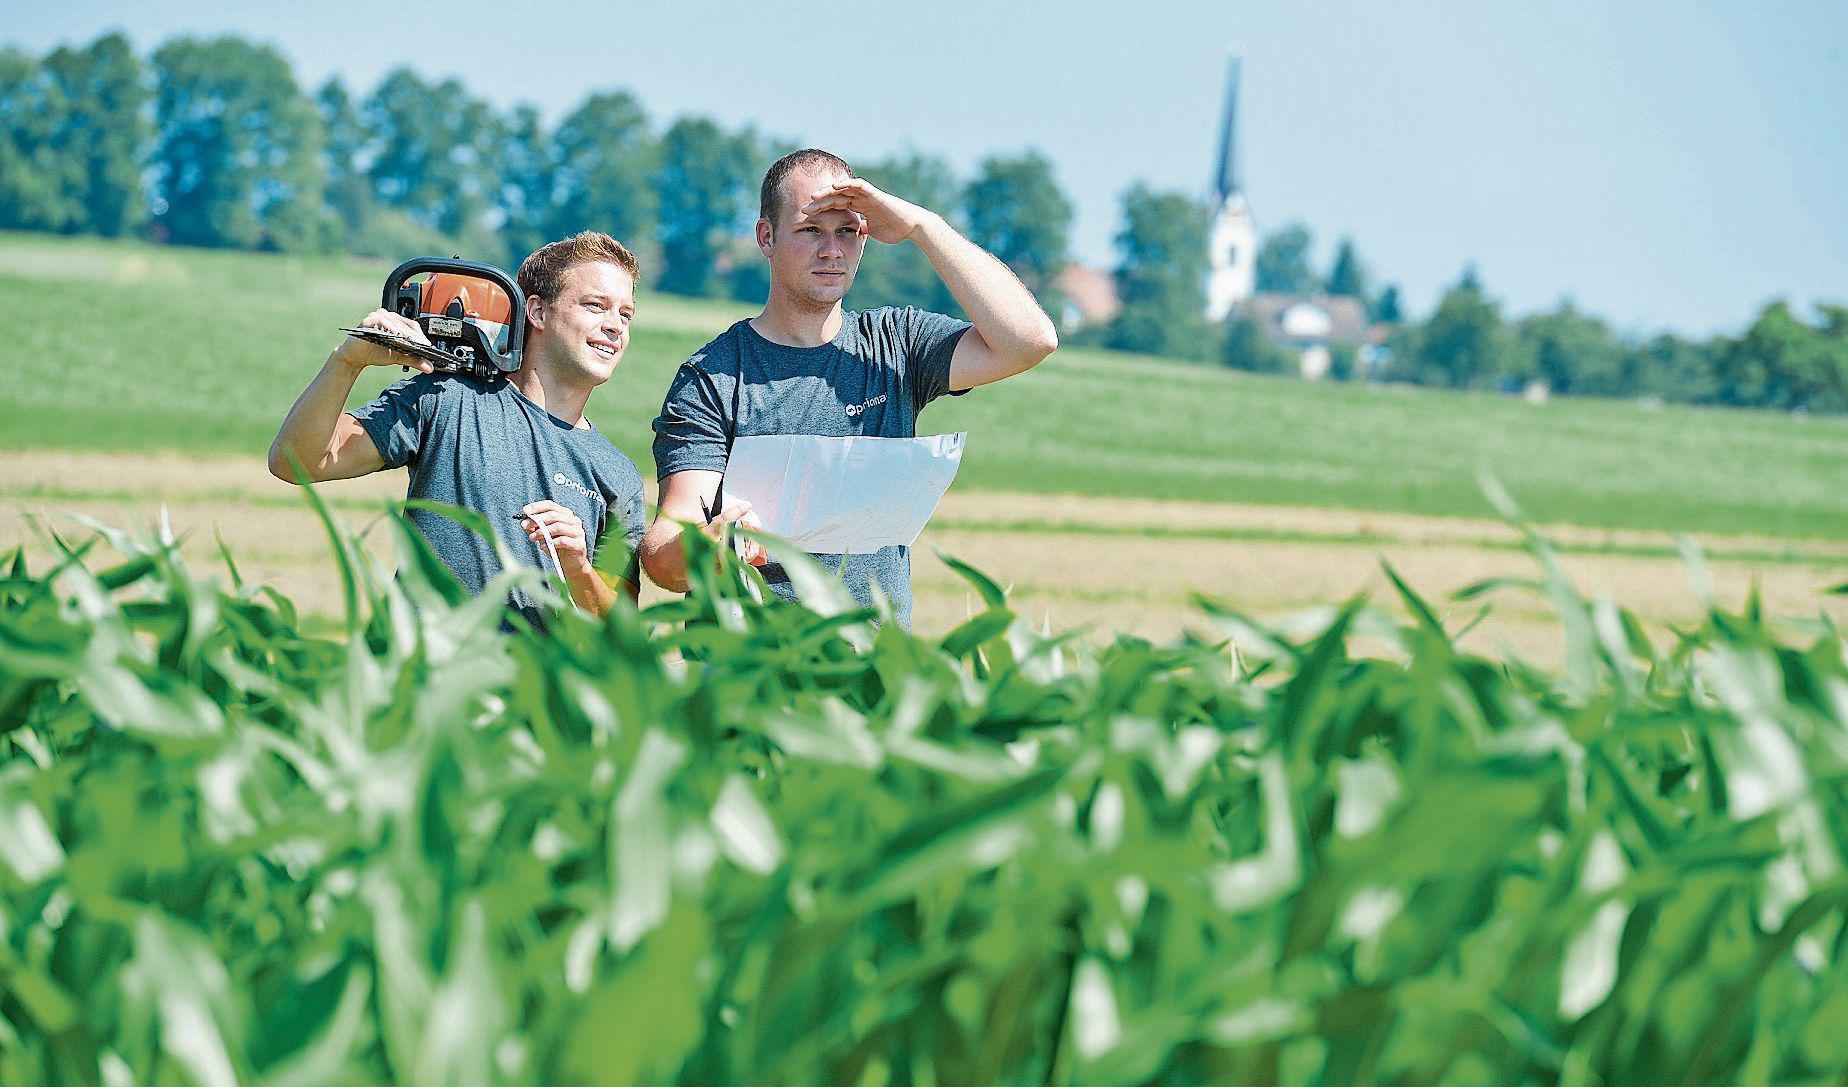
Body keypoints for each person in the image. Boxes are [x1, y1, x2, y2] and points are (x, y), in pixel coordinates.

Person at [641, 149, 1058, 627]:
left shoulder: (895, 345)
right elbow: (663, 558)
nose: (831, 251)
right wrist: (707, 547)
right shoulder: (714, 377)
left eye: (848, 231)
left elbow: (1030, 342)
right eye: (810, 231)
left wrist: (923, 226)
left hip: (875, 671)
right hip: (749, 675)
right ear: (765, 237)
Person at [269, 231, 648, 627]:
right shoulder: (450, 398)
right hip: (417, 677)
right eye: (595, 306)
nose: (614, 327)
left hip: (531, 687)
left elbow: (622, 629)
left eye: (625, 314)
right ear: (536, 312)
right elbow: (298, 462)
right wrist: (347, 362)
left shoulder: (616, 473)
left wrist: (579, 568)